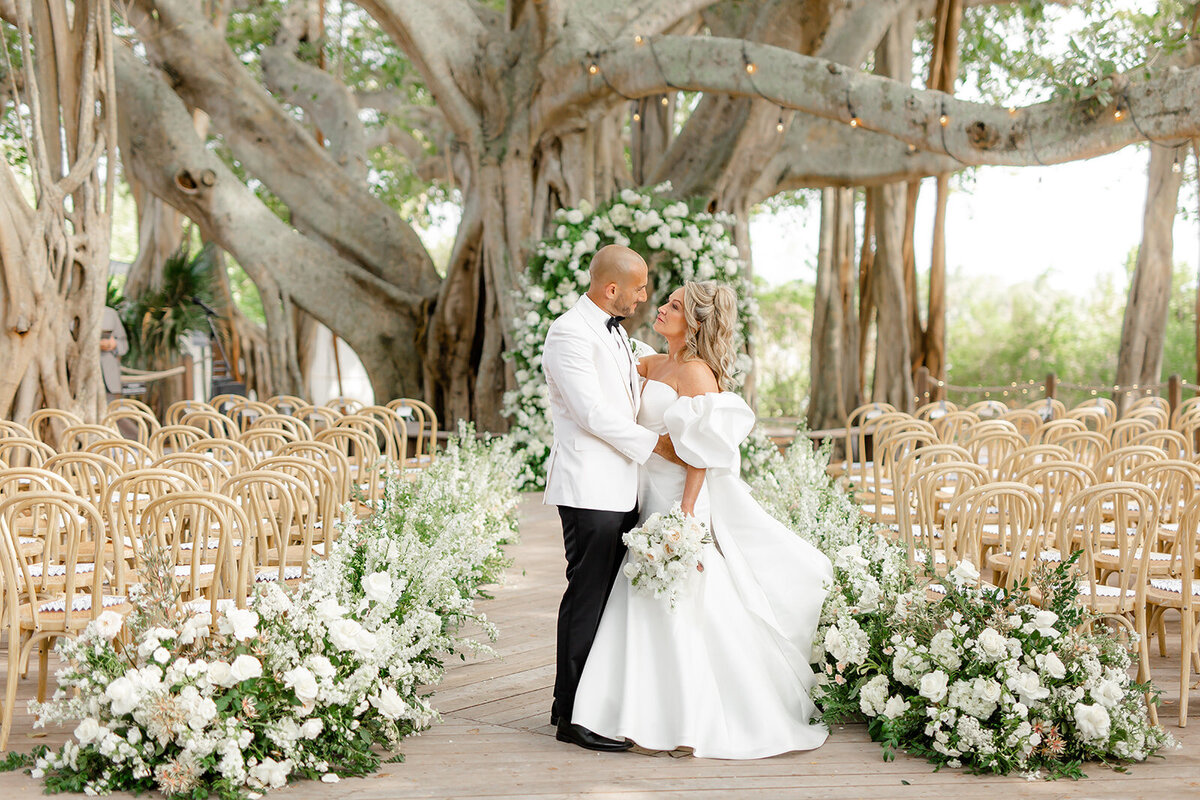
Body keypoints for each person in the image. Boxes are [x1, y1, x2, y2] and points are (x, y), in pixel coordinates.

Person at [571, 281, 833, 759]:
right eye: (667, 301)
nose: (663, 308)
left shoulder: (696, 374)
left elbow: (702, 455)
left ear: (696, 322)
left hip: (678, 496)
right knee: (645, 594)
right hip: (645, 491)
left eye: (676, 306)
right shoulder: (653, 363)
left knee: (683, 595)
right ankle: (639, 709)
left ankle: (689, 717)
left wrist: (686, 517)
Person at [541, 244, 678, 752]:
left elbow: (656, 368)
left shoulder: (618, 333)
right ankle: (572, 716)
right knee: (587, 596)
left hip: (623, 486)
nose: (645, 297)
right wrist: (658, 445)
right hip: (590, 487)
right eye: (640, 288)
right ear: (612, 288)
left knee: (604, 599)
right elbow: (592, 412)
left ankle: (580, 704)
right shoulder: (569, 332)